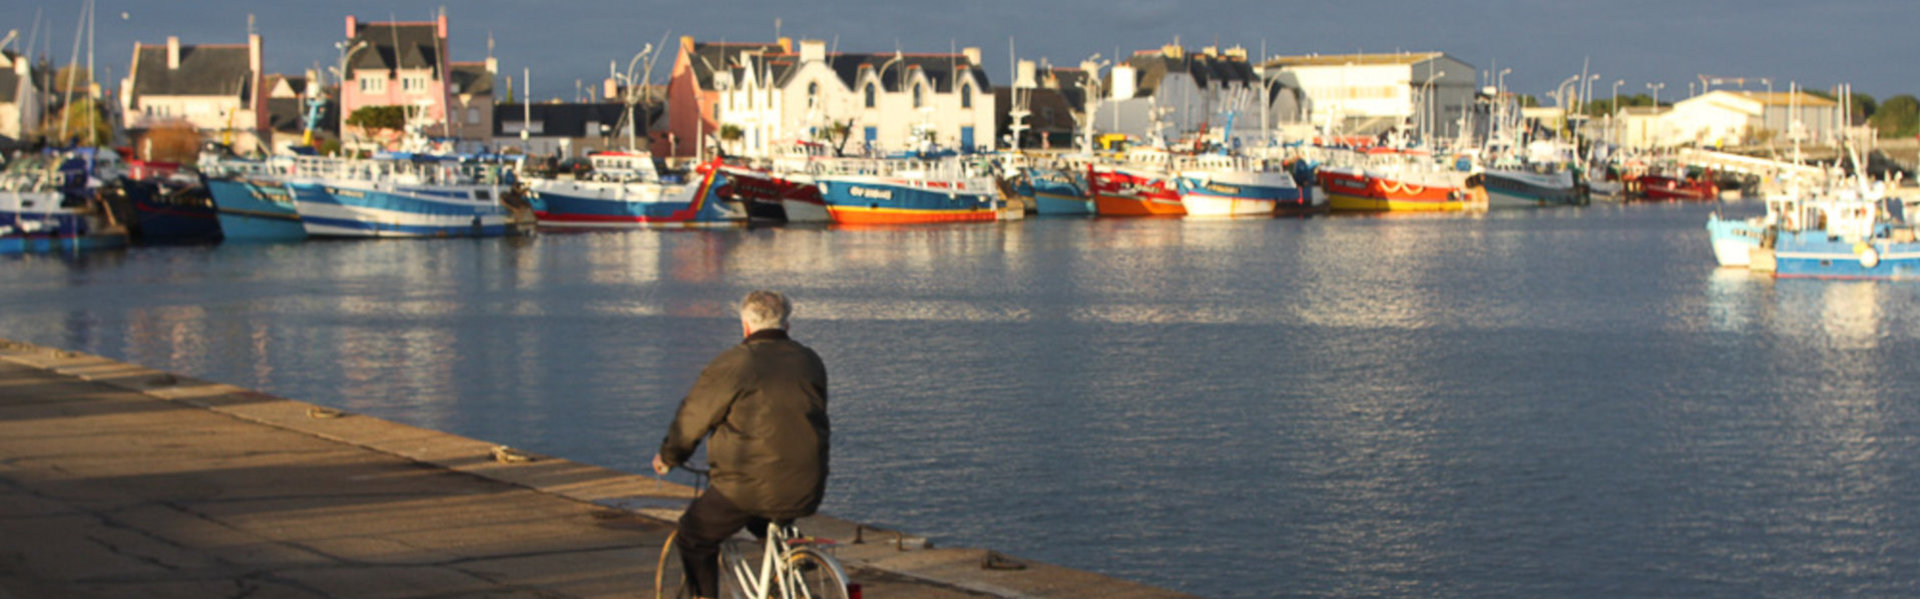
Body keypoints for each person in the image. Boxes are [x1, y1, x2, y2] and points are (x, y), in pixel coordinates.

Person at [653, 290, 830, 599]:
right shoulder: (810, 360)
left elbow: (693, 418)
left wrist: (669, 456)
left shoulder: (735, 362)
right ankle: (790, 561)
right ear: (787, 326)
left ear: (745, 326)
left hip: (746, 484)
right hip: (807, 483)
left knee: (694, 536)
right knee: (763, 515)